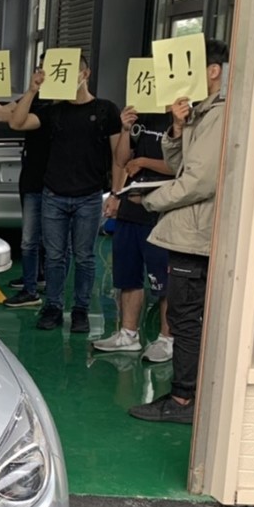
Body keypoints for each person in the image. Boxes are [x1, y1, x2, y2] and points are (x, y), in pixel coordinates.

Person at [129, 39, 229, 424]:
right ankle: (186, 395)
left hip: (196, 233)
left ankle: (184, 400)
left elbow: (199, 181)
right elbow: (180, 165)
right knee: (185, 316)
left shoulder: (219, 114)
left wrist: (149, 201)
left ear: (212, 71)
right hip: (190, 230)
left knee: (185, 319)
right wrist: (177, 127)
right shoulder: (202, 113)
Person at [8, 55, 122, 333]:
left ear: (86, 74)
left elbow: (119, 157)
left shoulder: (106, 110)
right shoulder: (54, 111)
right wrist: (32, 89)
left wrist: (117, 194)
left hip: (89, 195)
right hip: (54, 194)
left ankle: (81, 310)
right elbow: (17, 123)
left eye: (73, 72)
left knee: (84, 256)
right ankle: (53, 306)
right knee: (55, 256)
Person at [93, 107, 174, 362]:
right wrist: (126, 129)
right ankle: (128, 334)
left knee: (164, 280)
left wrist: (143, 162)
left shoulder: (180, 118)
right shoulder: (141, 114)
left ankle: (167, 338)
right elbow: (121, 161)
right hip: (131, 205)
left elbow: (181, 165)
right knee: (127, 275)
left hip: (162, 209)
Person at [0, 64, 50, 308]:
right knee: (30, 238)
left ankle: (48, 284)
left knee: (55, 242)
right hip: (32, 178)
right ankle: (32, 283)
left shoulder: (67, 106)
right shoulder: (31, 100)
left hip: (59, 181)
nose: (40, 74)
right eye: (38, 69)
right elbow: (2, 115)